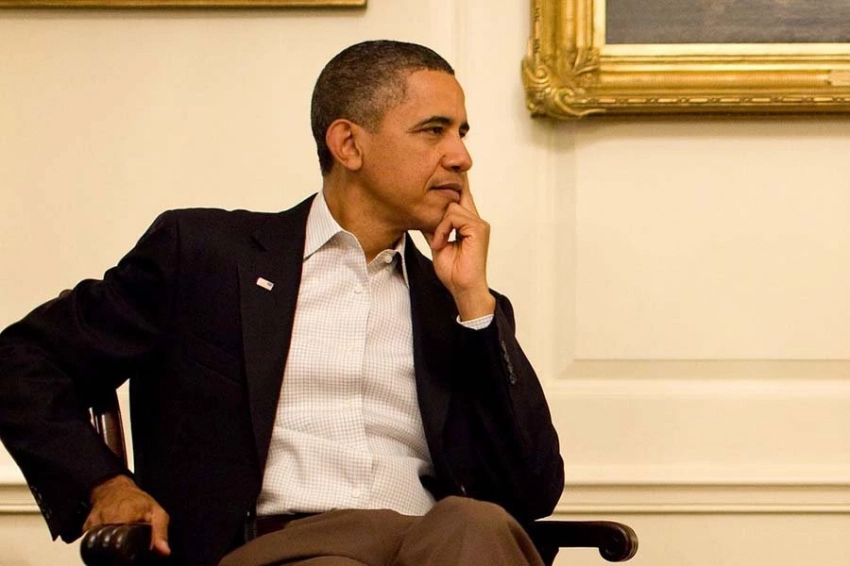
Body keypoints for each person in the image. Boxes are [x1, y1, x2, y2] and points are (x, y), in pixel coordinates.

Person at [0, 40, 564, 566]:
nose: (461, 156)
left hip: (431, 544)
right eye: (434, 131)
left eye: (462, 133)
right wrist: (104, 483)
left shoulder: (457, 305)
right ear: (348, 145)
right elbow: (21, 360)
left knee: (476, 525)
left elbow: (530, 493)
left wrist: (474, 303)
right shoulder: (204, 257)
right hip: (282, 548)